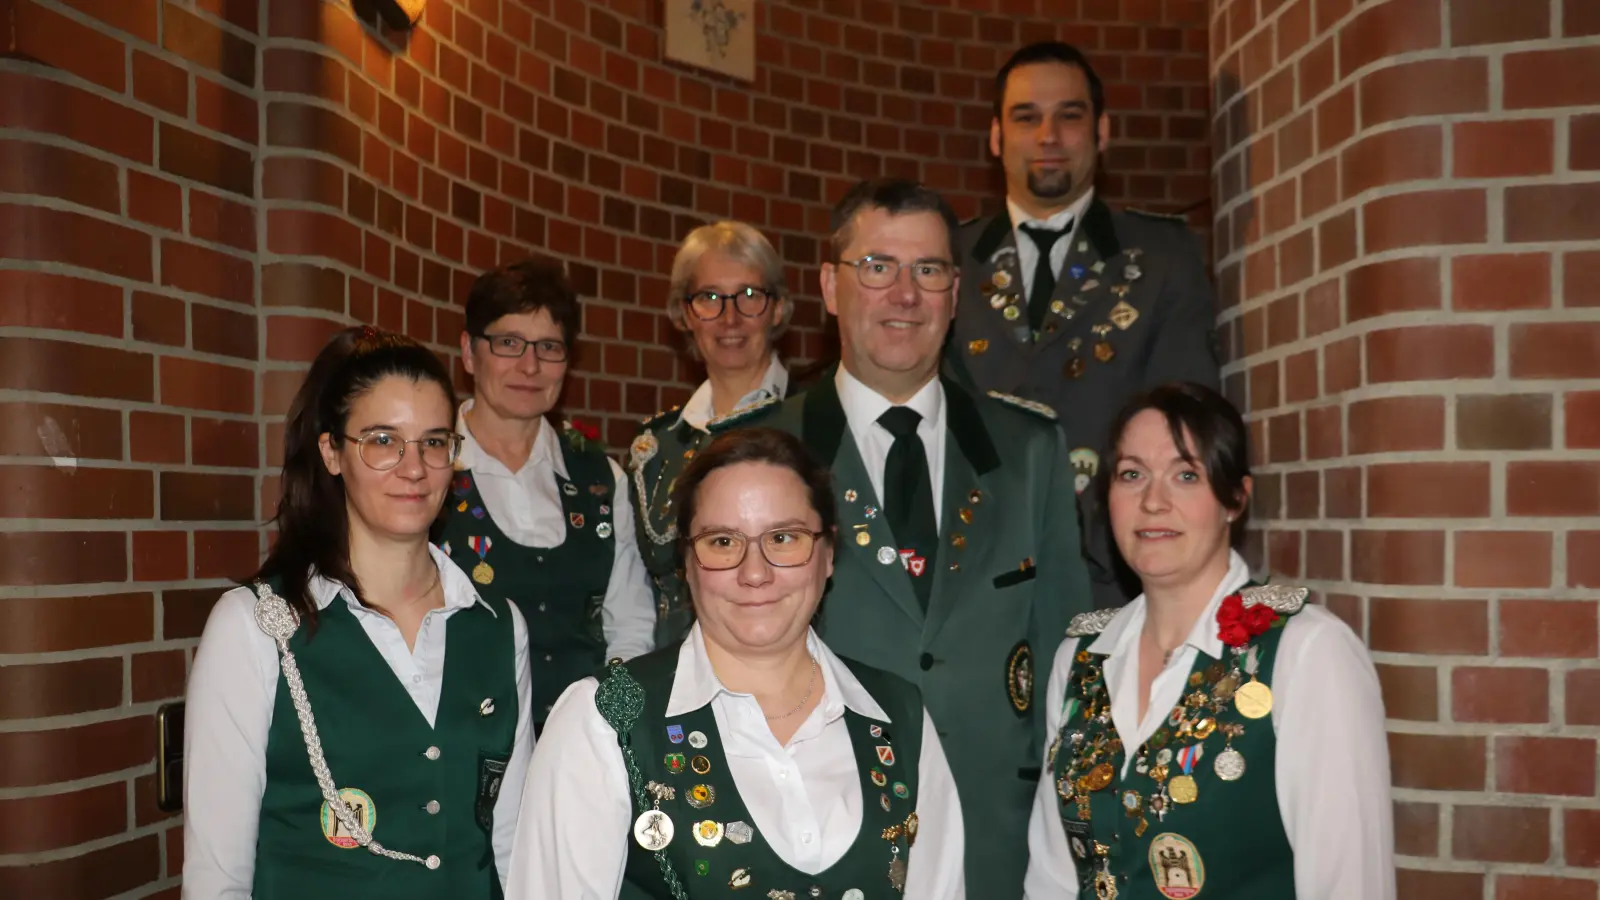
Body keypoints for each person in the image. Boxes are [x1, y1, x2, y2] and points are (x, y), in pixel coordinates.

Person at [724, 177, 1094, 899]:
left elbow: (1065, 669)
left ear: (955, 294)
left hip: (1000, 849)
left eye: (927, 270)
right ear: (831, 286)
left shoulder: (1028, 452)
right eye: (877, 267)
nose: (904, 295)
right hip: (815, 847)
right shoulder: (756, 454)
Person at [509, 427, 966, 898]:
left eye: (783, 537)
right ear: (686, 562)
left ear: (827, 554)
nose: (754, 573)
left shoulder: (900, 717)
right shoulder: (603, 721)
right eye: (723, 542)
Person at [183, 326, 533, 898]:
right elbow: (217, 878)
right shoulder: (254, 626)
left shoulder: (498, 626)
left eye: (434, 442)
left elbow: (514, 844)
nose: (413, 467)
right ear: (332, 452)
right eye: (382, 440)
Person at [1024, 382, 1394, 899]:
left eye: (1185, 475)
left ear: (1234, 499)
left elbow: (1349, 886)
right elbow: (1053, 879)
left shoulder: (1306, 653)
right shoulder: (1080, 659)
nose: (1153, 502)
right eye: (1132, 475)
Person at [947, 41, 1223, 609]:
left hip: (1114, 581)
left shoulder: (1161, 256)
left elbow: (1184, 422)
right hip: (967, 580)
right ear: (996, 137)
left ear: (1102, 132)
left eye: (1069, 116)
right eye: (1026, 118)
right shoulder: (949, 257)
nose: (1048, 136)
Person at [446, 258, 655, 728]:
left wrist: (607, 730)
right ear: (468, 352)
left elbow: (630, 625)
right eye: (508, 342)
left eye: (549, 346)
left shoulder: (602, 477)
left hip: (581, 743)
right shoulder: (430, 466)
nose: (530, 365)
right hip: (457, 744)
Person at [627, 222, 794, 647]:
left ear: (778, 309)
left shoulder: (813, 424)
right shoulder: (655, 447)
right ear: (685, 314)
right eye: (710, 298)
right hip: (676, 691)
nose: (729, 317)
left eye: (750, 296)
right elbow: (632, 603)